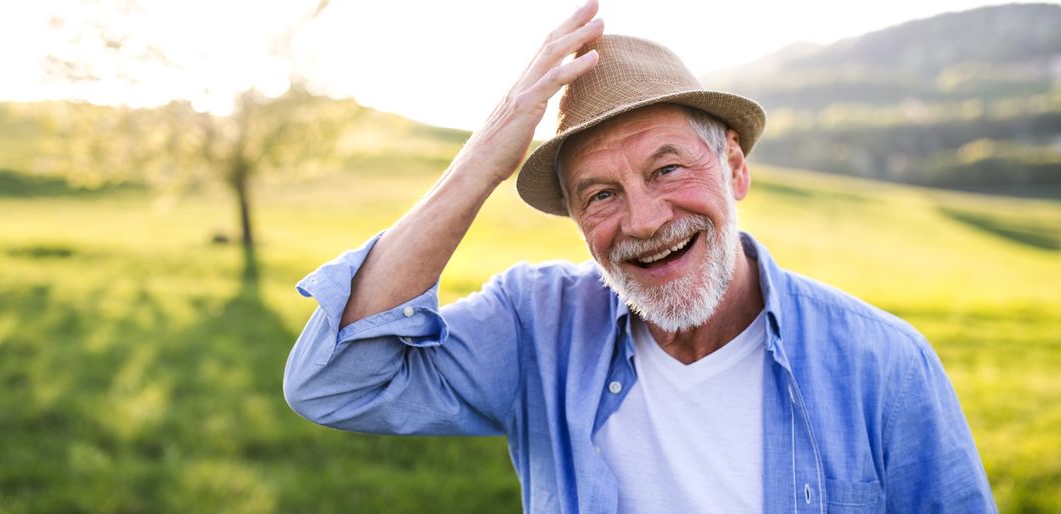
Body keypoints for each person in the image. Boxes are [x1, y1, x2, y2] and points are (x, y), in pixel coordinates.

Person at [283, 1, 996, 512]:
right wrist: (483, 161)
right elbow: (338, 380)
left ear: (735, 169)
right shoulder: (538, 327)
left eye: (668, 170)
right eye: (599, 195)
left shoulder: (882, 362)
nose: (645, 221)